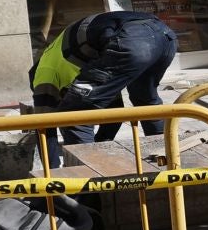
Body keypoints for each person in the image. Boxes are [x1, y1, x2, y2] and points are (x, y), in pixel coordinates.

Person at [29, 10, 177, 162]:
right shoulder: (81, 65)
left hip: (131, 40)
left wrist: (52, 175)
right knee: (145, 101)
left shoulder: (44, 74)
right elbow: (114, 112)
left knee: (74, 115)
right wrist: (100, 144)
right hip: (165, 36)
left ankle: (86, 180)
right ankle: (167, 162)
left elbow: (43, 127)